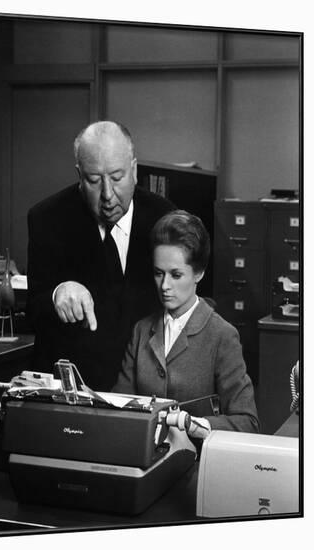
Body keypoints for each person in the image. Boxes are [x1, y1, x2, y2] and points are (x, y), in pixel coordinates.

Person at [26, 121, 174, 390]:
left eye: (117, 178)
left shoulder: (166, 219)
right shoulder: (47, 219)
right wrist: (57, 293)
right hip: (77, 389)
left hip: (145, 385)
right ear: (79, 176)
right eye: (94, 181)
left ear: (134, 170)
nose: (108, 195)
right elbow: (33, 310)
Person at [113, 210, 259, 433]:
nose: (164, 285)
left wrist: (194, 425)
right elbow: (119, 405)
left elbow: (248, 422)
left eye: (176, 275)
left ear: (198, 273)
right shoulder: (141, 330)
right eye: (158, 273)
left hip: (196, 461)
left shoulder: (221, 335)